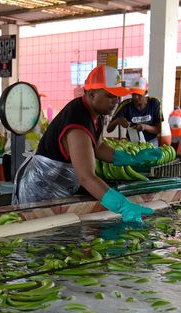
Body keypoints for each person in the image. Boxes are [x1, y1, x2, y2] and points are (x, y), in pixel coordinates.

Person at [13, 65, 160, 225]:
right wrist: (123, 206)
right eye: (110, 96)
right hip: (41, 191)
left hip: (59, 186)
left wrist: (131, 159)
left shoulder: (96, 113)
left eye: (117, 96)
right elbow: (87, 177)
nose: (115, 102)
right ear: (92, 94)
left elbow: (98, 147)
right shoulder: (78, 123)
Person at [107, 76, 163, 144]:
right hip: (132, 143)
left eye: (139, 94)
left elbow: (159, 129)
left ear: (146, 92)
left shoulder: (154, 103)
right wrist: (117, 120)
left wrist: (145, 127)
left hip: (151, 142)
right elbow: (109, 129)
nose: (136, 97)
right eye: (133, 94)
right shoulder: (125, 105)